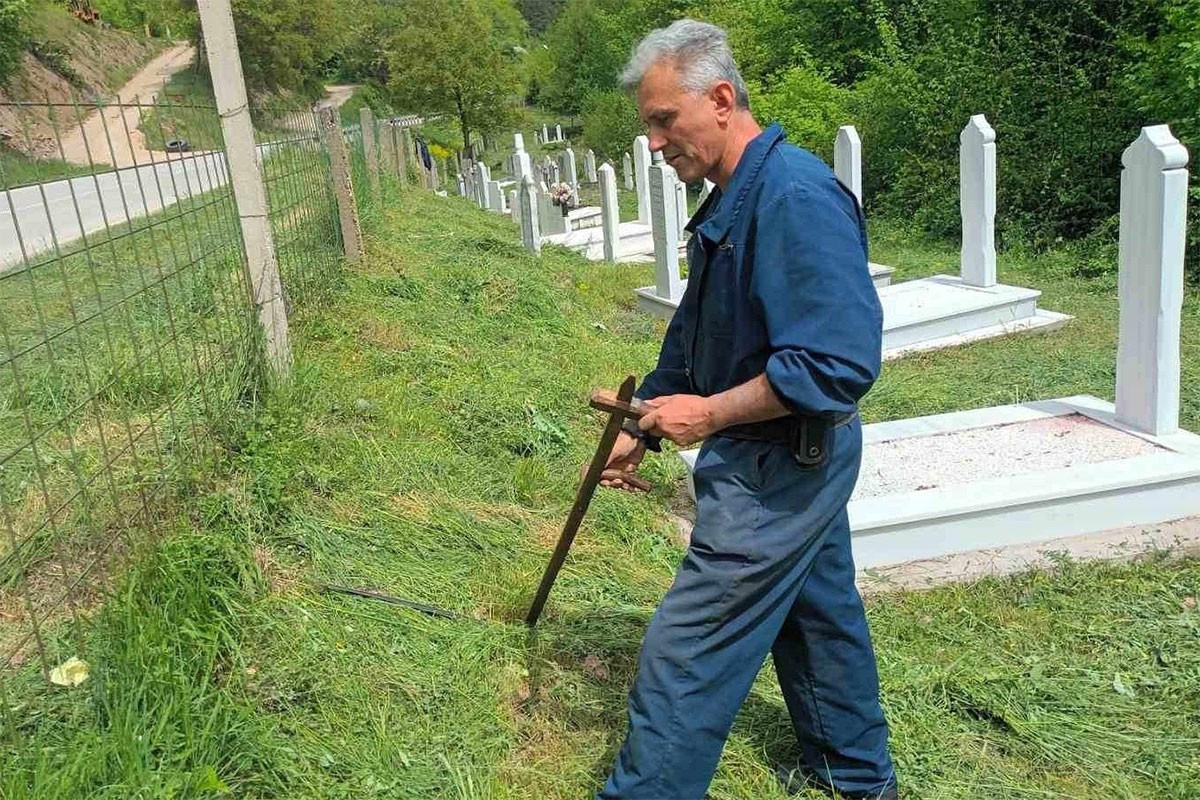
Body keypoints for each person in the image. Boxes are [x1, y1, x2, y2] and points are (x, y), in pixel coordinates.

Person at [594, 19, 899, 800]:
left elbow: (836, 364)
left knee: (686, 652)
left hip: (781, 459)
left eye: (665, 120)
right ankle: (855, 777)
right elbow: (703, 326)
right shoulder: (739, 194)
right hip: (787, 454)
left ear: (721, 99)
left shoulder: (794, 197)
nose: (656, 144)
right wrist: (647, 419)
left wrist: (710, 415)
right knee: (816, 615)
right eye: (649, 126)